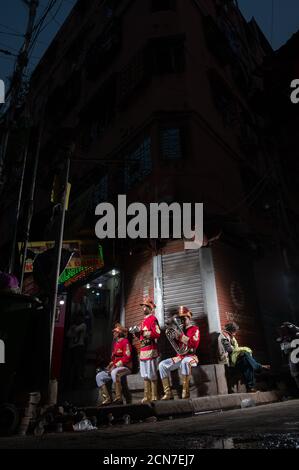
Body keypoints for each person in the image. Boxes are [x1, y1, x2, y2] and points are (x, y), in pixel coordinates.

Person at [159, 306, 200, 400]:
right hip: (180, 356)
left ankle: (185, 393)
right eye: (180, 318)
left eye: (184, 318)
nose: (182, 320)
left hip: (191, 356)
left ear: (189, 318)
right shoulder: (179, 330)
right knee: (162, 365)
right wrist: (174, 336)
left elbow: (193, 344)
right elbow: (176, 346)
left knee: (185, 361)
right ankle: (168, 393)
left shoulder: (194, 329)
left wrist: (180, 336)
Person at [218, 322, 270, 393]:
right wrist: (241, 350)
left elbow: (235, 350)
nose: (235, 334)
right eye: (234, 332)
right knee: (245, 355)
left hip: (233, 361)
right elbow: (230, 350)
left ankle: (251, 387)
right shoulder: (223, 337)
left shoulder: (231, 338)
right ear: (231, 331)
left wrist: (240, 351)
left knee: (246, 361)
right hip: (227, 363)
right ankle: (258, 368)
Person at [132, 297, 161, 403]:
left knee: (151, 373)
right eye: (143, 306)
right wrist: (137, 333)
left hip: (151, 349)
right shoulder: (143, 321)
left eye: (145, 306)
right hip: (143, 350)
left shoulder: (153, 319)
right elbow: (141, 336)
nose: (143, 308)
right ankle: (146, 396)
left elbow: (157, 333)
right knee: (144, 374)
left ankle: (154, 396)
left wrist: (145, 333)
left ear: (150, 308)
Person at [96, 323, 132, 406]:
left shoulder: (125, 342)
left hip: (125, 367)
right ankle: (107, 399)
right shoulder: (116, 344)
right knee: (99, 376)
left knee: (114, 372)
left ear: (119, 333)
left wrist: (115, 366)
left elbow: (127, 357)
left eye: (115, 332)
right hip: (115, 368)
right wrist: (109, 366)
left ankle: (118, 398)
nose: (113, 334)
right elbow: (114, 359)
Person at [66, 312, 87, 388]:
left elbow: (76, 330)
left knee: (78, 365)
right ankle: (72, 382)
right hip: (72, 348)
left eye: (80, 318)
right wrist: (73, 329)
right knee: (72, 365)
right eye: (77, 318)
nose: (78, 319)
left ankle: (78, 382)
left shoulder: (83, 325)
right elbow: (68, 334)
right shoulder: (74, 326)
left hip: (79, 347)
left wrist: (73, 328)